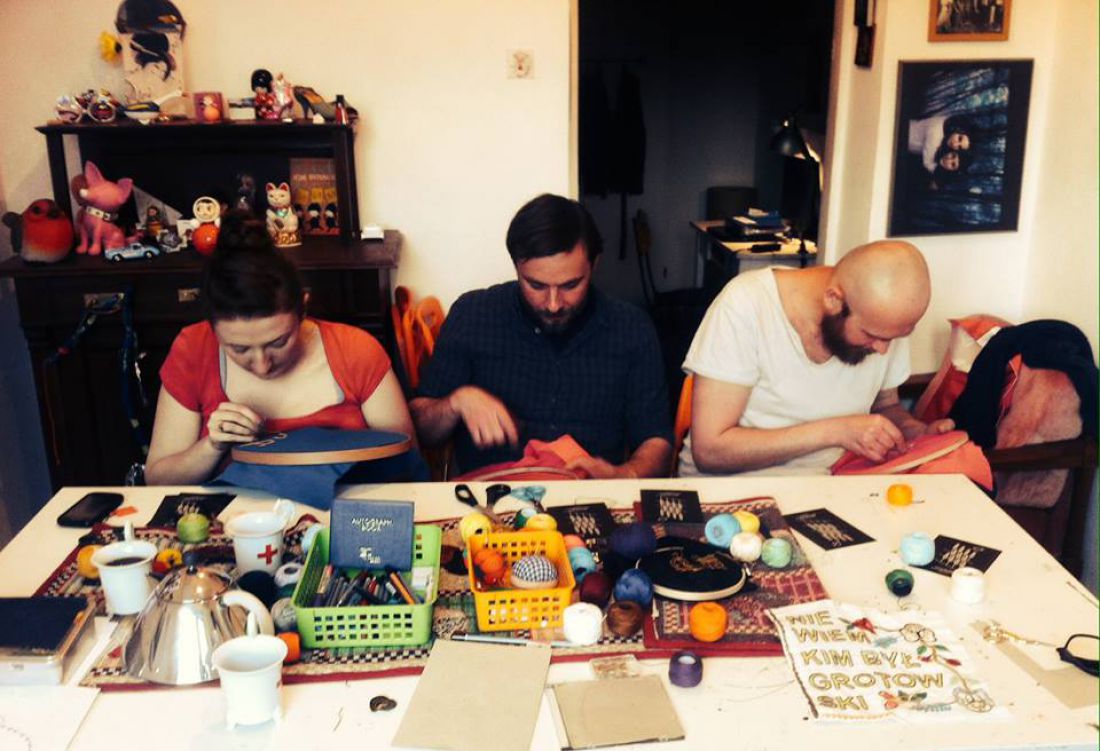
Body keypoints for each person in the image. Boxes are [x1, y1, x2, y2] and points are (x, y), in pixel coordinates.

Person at [410, 193, 672, 478]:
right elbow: (421, 430)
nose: (553, 304)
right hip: (489, 494)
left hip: (589, 493)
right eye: (536, 285)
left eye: (571, 285)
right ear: (516, 266)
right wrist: (456, 403)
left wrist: (624, 474)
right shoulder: (474, 315)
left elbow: (656, 440)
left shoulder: (631, 328)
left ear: (594, 264)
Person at [145, 210, 414, 484]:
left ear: (302, 309)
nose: (262, 365)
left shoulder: (355, 350)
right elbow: (157, 480)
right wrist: (212, 447)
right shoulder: (194, 349)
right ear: (212, 328)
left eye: (278, 342)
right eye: (239, 349)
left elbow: (406, 466)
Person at [679, 240, 954, 477]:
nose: (883, 350)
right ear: (834, 300)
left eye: (895, 338)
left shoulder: (883, 323)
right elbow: (710, 452)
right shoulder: (747, 304)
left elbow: (886, 406)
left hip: (830, 484)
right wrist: (835, 432)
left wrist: (913, 431)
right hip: (729, 490)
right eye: (871, 335)